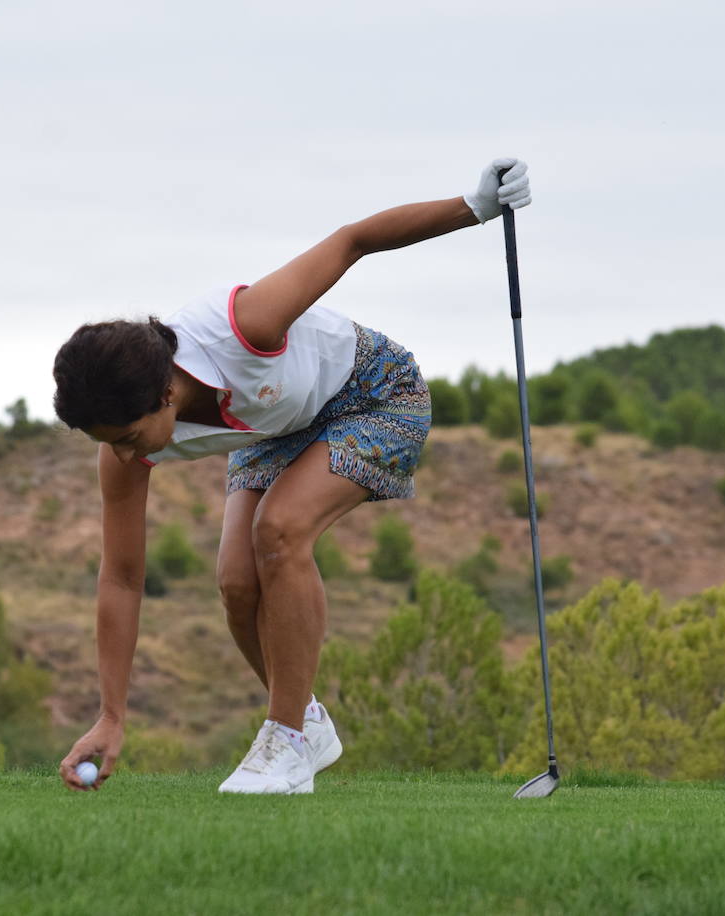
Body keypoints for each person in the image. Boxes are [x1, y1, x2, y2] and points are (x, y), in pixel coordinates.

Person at [52, 157, 532, 794]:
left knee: (278, 532)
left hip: (375, 392)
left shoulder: (250, 326)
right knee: (236, 583)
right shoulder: (123, 446)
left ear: (166, 393)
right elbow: (121, 577)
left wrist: (475, 207)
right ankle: (306, 719)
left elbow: (352, 240)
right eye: (107, 443)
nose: (120, 455)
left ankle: (285, 743)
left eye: (128, 438)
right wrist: (112, 716)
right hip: (280, 424)